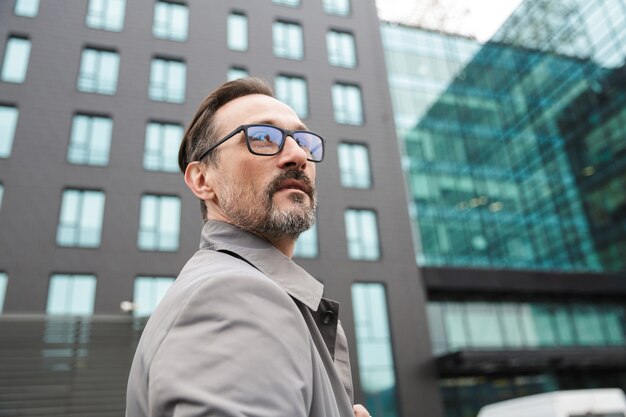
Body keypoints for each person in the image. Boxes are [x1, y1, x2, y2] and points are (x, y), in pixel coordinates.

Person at [126, 78, 370, 417]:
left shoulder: (242, 291)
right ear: (202, 179)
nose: (298, 155)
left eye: (302, 141)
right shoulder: (233, 294)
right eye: (263, 137)